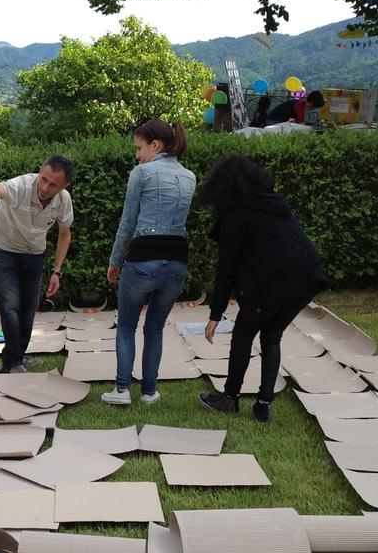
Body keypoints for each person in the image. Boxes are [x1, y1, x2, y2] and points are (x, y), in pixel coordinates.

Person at [196, 155, 326, 423]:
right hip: (307, 276)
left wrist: (215, 313)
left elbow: (227, 269)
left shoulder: (236, 215)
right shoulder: (273, 203)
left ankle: (229, 399)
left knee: (243, 334)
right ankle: (263, 404)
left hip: (274, 280)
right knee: (271, 335)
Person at [102, 119, 194, 406]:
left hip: (143, 257)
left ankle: (121, 390)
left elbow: (128, 222)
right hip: (177, 260)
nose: (137, 155)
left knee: (127, 325)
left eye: (139, 148)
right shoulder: (190, 176)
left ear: (155, 145)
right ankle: (149, 392)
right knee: (154, 329)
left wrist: (115, 260)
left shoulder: (141, 173)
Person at [0, 156, 74, 373]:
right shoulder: (20, 185)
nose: (45, 187)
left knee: (29, 308)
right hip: (3, 248)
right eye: (43, 179)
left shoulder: (64, 200)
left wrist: (56, 272)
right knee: (10, 305)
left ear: (64, 186)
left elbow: (64, 234)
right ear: (39, 170)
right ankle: (13, 361)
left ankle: (18, 357)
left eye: (53, 185)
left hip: (34, 253)